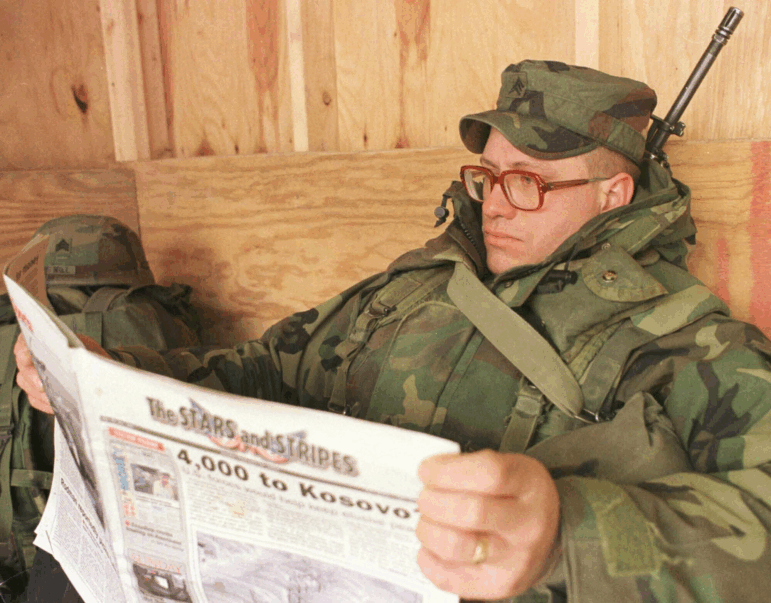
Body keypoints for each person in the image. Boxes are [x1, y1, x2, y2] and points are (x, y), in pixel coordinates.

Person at [15, 60, 771, 602]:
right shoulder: (418, 283)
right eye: (488, 174)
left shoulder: (684, 343)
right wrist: (113, 372)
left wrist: (567, 532)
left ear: (614, 194)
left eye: (528, 182)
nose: (496, 203)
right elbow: (267, 369)